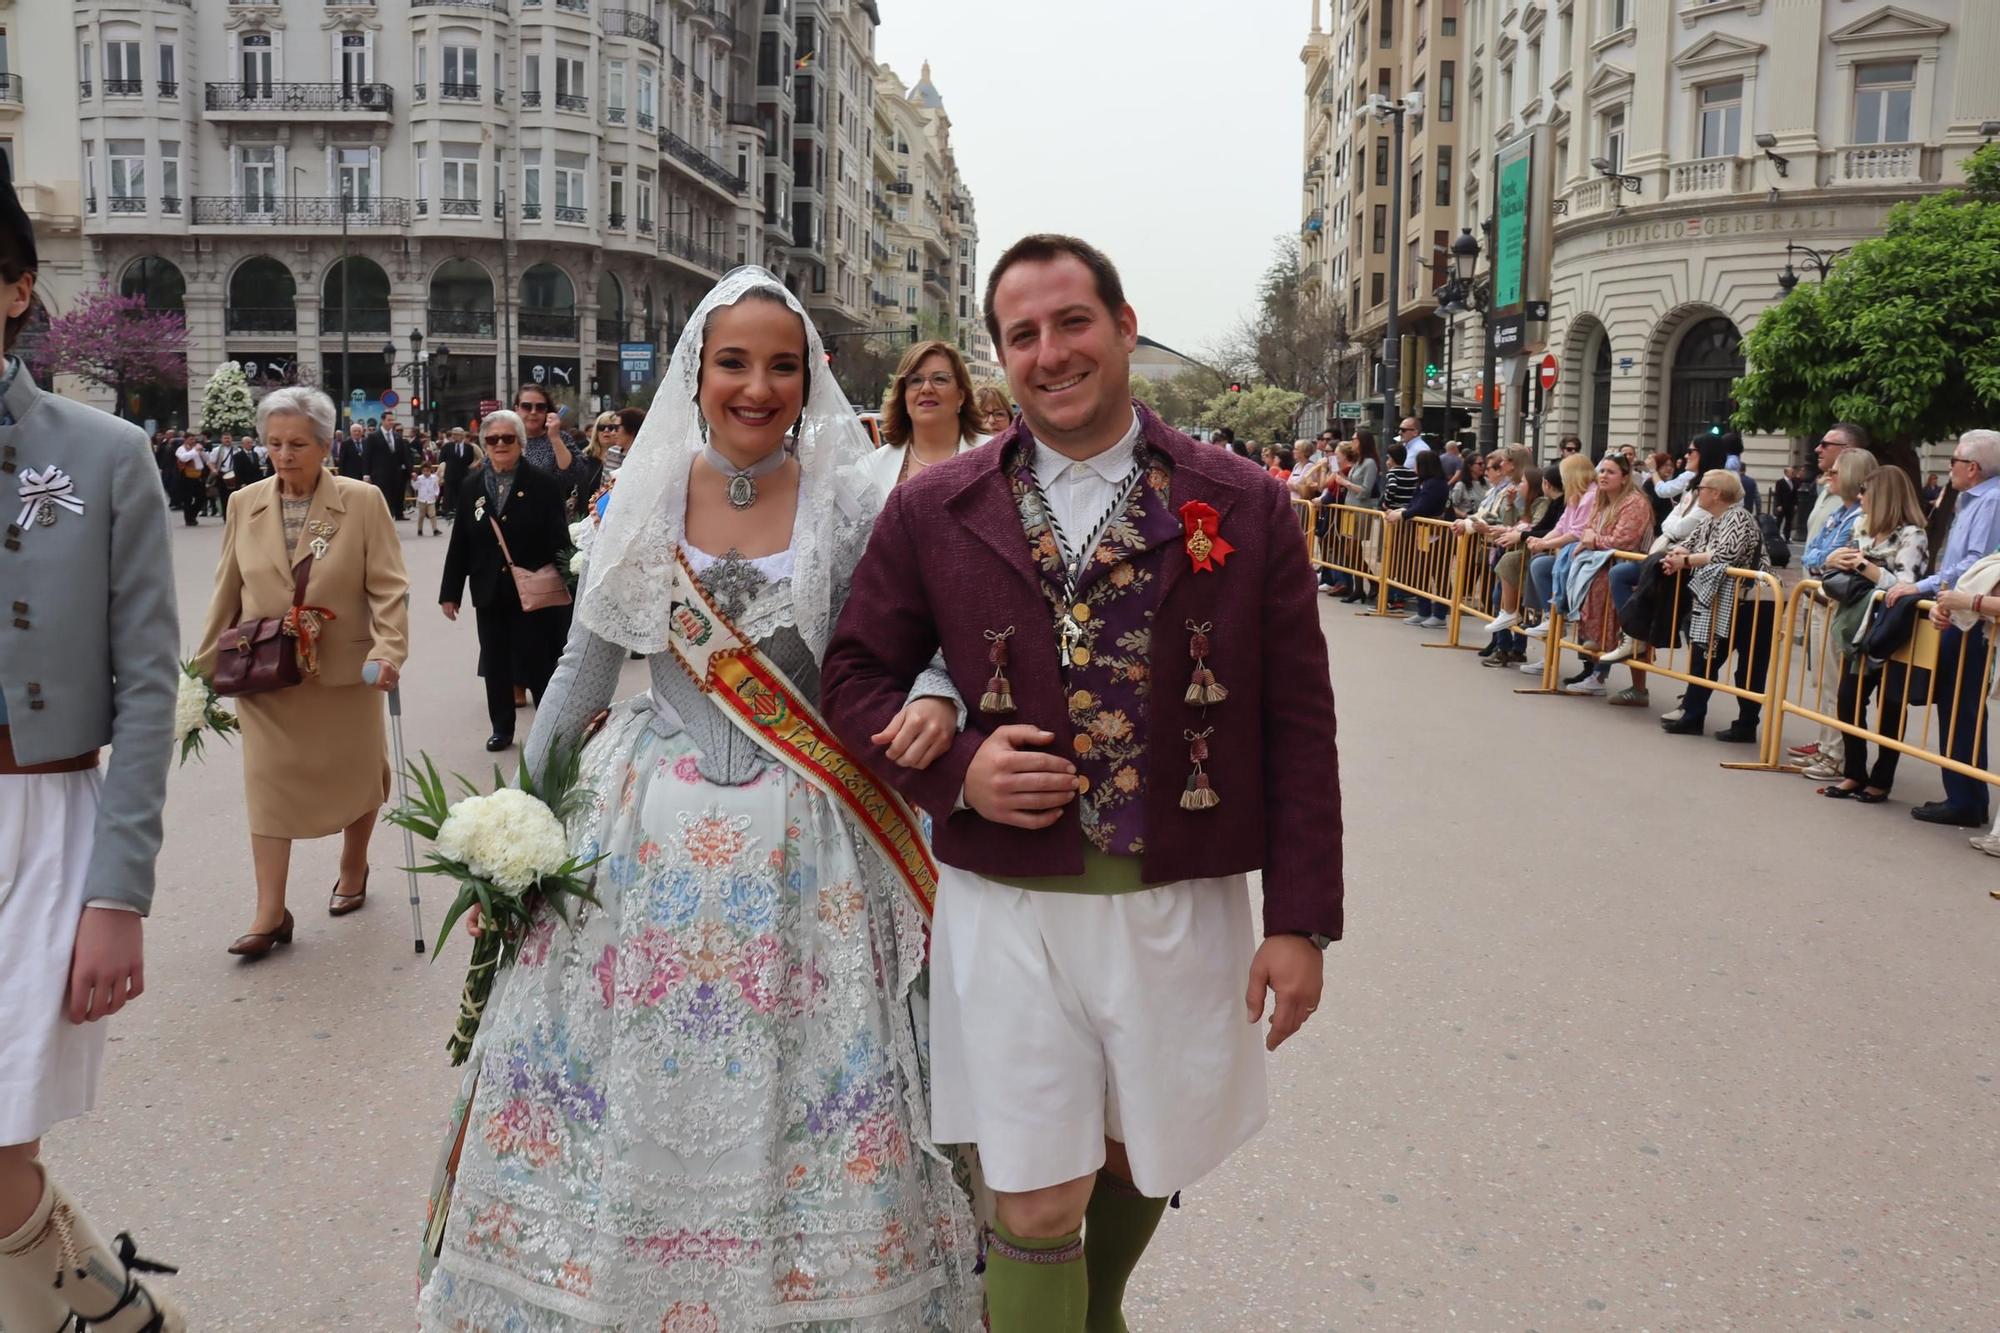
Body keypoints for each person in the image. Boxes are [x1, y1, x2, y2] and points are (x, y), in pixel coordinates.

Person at [416, 268, 982, 1331]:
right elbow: (582, 674)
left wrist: (942, 696)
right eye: (734, 362)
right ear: (697, 369)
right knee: (627, 1065)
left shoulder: (852, 497)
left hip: (811, 831)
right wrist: (514, 842)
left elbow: (926, 640)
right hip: (641, 826)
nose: (756, 385)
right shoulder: (644, 492)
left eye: (781, 364)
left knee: (806, 1075)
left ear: (809, 377)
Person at [822, 234, 1342, 1333]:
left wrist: (1300, 920)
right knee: (1033, 1188)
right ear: (996, 354)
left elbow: (1297, 721)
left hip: (1176, 898)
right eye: (1022, 335)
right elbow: (855, 676)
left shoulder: (1240, 502)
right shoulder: (935, 508)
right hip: (1004, 905)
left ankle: (1090, 1312)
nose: (1049, 353)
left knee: (1133, 1159)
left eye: (1071, 324)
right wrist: (960, 772)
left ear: (1120, 325)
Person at [0, 158, 188, 1333]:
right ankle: (114, 1316)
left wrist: (117, 894)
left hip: (34, 831)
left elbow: (147, 688)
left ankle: (110, 1318)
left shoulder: (104, 456)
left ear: (16, 287)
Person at [193, 386, 409, 956]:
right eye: (274, 444)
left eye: (296, 444)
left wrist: (388, 650)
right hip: (267, 670)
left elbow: (388, 586)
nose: (284, 455)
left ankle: (354, 864)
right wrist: (201, 671)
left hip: (345, 670)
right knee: (266, 783)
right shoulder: (245, 503)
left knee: (359, 771)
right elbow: (227, 592)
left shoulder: (361, 501)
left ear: (324, 444)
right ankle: (270, 911)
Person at [1881, 429, 2000, 827]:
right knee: (1954, 704)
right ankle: (1962, 795)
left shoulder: (1991, 501)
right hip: (1962, 611)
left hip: (1974, 618)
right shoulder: (1975, 499)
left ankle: (1966, 800)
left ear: (1973, 467)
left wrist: (1925, 587)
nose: (1948, 467)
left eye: (1954, 461)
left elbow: (1974, 563)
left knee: (1962, 705)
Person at [439, 409, 574, 751]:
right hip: (489, 590)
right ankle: (502, 728)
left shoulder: (541, 483)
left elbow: (559, 538)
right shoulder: (472, 486)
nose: (500, 444)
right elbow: (461, 542)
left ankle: (549, 729)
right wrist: (449, 592)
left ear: (521, 442)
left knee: (540, 660)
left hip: (534, 587)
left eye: (507, 438)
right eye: (493, 439)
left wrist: (571, 584)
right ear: (484, 444)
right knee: (496, 663)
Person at [1816, 466, 1929, 800]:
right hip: (1859, 626)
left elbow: (1906, 585)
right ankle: (1855, 772)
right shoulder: (1860, 526)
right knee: (1849, 699)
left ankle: (1882, 780)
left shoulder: (1913, 535)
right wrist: (1837, 559)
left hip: (1895, 628)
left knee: (1892, 703)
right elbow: (1834, 565)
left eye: (1866, 490)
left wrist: (1862, 565)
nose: (1860, 496)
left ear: (1884, 496)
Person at [1646, 470, 1767, 733]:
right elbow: (1688, 543)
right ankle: (1693, 715)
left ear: (1716, 493)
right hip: (1725, 598)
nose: (1696, 491)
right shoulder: (1712, 519)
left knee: (1748, 669)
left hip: (1754, 602)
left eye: (1701, 487)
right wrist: (1676, 555)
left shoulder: (1737, 516)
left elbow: (1726, 554)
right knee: (1705, 658)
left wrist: (1685, 560)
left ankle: (1745, 725)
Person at [1789, 424, 1871, 776]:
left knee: (1835, 681)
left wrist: (1824, 558)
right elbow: (1815, 554)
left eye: (1835, 471)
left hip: (1839, 604)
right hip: (1820, 598)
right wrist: (1824, 558)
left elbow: (1842, 556)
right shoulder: (1837, 508)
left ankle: (1835, 755)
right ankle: (1826, 747)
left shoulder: (1857, 515)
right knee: (1821, 679)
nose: (1819, 451)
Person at [1557, 454, 1654, 694]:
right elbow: (1588, 530)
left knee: (1601, 581)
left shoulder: (1635, 502)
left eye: (1610, 472)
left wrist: (1593, 541)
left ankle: (1600, 671)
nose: (1603, 476)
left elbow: (1624, 540)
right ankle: (1592, 660)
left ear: (1624, 477)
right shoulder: (1602, 500)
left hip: (1632, 566)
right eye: (1601, 471)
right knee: (1573, 568)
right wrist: (1591, 541)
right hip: (1604, 562)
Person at [858, 338, 986, 500]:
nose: (926, 389)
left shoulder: (996, 457)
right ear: (904, 396)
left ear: (961, 396)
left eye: (940, 379)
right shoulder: (870, 468)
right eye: (915, 380)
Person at [1391, 448, 1451, 627]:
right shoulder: (1424, 483)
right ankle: (1423, 610)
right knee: (1421, 573)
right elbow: (1414, 503)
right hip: (1424, 532)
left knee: (1438, 574)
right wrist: (1403, 510)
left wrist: (1403, 515)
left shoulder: (1436, 484)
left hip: (1437, 533)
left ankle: (1440, 614)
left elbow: (1423, 506)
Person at [512, 382, 595, 506]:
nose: (533, 412)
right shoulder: (506, 438)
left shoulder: (560, 437)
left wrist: (555, 438)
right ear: (517, 409)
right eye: (526, 406)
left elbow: (577, 473)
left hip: (549, 514)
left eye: (540, 407)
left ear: (547, 410)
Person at [438, 426, 478, 519]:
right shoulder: (447, 447)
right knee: (449, 494)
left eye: (457, 434)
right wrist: (442, 473)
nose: (454, 436)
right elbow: (442, 459)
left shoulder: (468, 448)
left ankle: (460, 511)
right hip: (450, 474)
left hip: (463, 474)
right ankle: (448, 511)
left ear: (462, 436)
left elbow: (469, 460)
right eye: (453, 434)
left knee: (462, 493)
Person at [172, 431, 208, 525]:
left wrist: (202, 451)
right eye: (191, 439)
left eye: (194, 439)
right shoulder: (181, 449)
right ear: (185, 439)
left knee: (202, 497)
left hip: (198, 475)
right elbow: (184, 458)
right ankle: (189, 519)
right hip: (186, 477)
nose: (193, 441)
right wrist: (195, 451)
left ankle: (192, 514)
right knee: (187, 499)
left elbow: (207, 459)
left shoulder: (196, 448)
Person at [412, 462, 442, 536]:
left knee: (432, 515)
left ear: (430, 470)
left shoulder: (434, 478)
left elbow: (436, 487)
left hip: (431, 499)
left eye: (427, 471)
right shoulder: (419, 478)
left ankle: (435, 529)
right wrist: (414, 480)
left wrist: (436, 494)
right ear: (422, 471)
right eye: (424, 471)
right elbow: (415, 487)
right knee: (421, 516)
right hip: (422, 500)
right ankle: (420, 529)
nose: (426, 472)